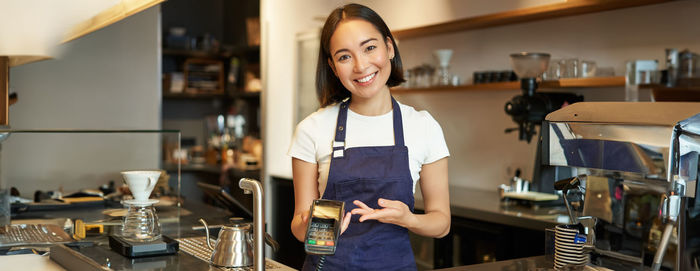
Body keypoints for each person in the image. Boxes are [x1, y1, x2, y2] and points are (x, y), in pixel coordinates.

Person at [288, 3, 450, 270]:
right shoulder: (312, 128)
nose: (361, 65)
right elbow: (297, 225)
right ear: (332, 66)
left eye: (370, 48)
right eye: (344, 57)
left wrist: (408, 218)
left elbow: (441, 223)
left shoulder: (423, 127)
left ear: (389, 47)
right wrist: (314, 226)